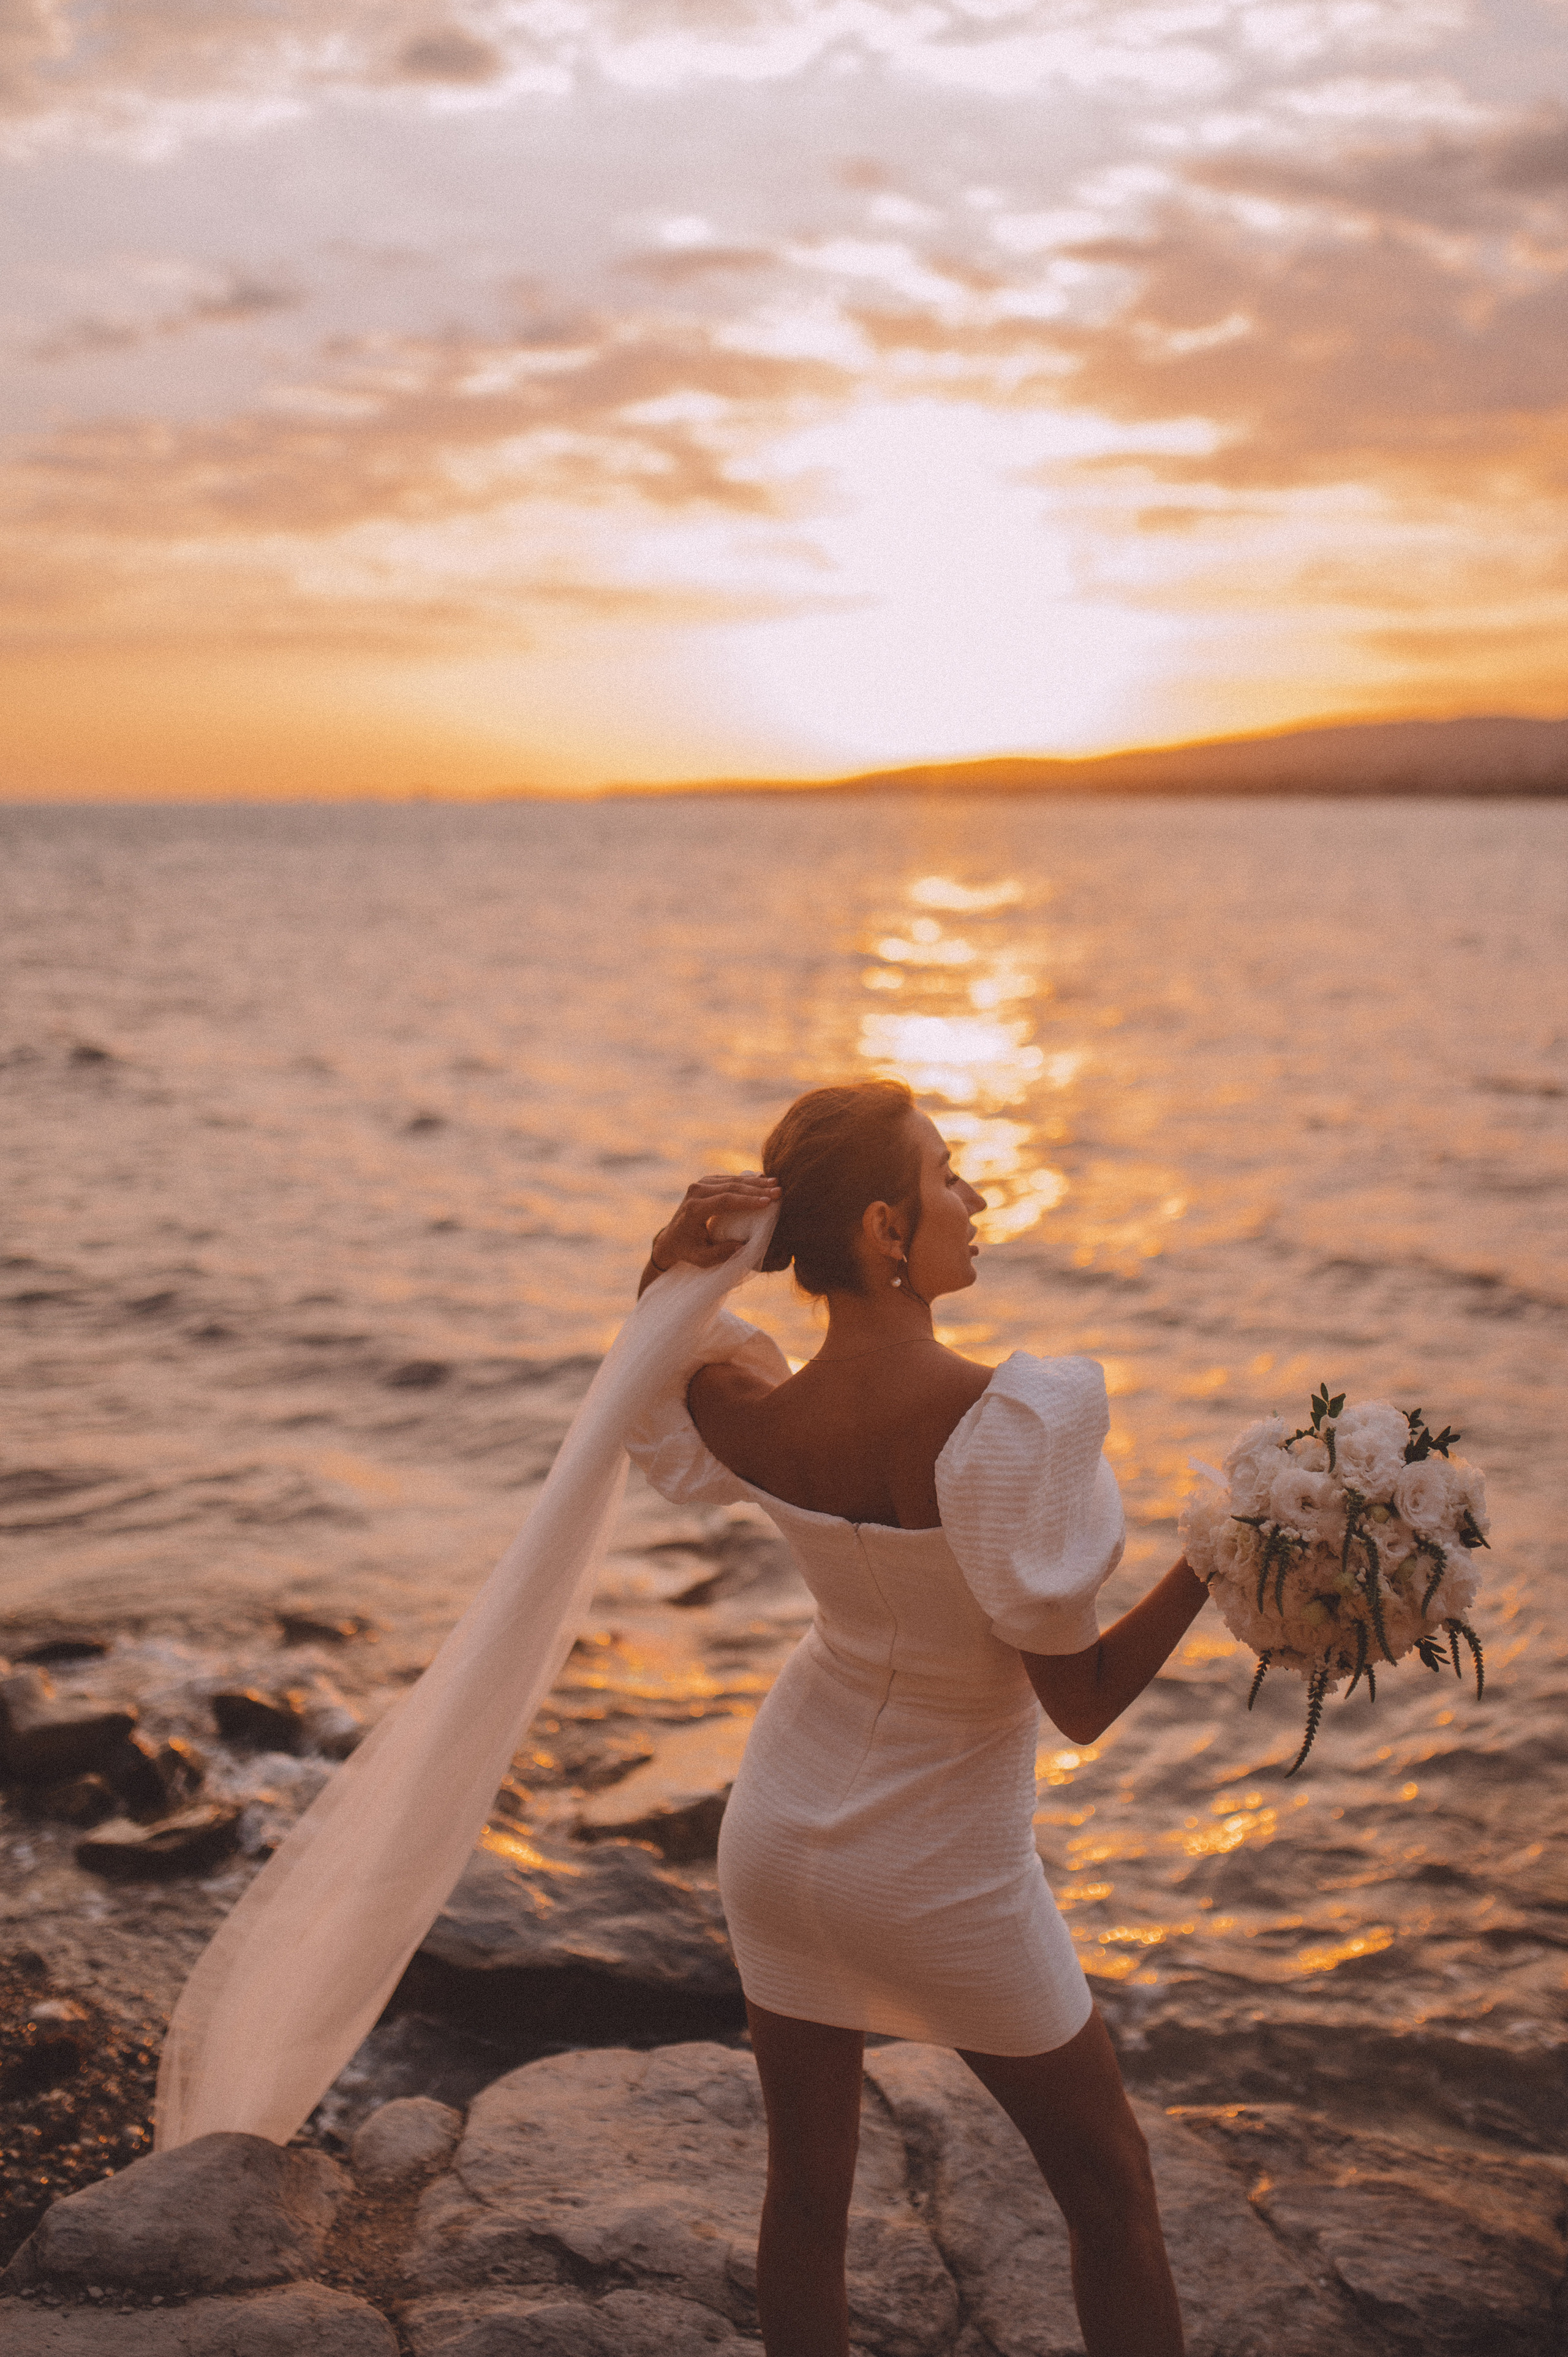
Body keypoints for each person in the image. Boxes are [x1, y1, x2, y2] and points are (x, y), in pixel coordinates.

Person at [628, 1078, 1212, 2357]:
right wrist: (1211, 1559)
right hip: (943, 1867)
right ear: (888, 1231)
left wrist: (665, 1271)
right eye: (949, 1173)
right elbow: (1082, 1703)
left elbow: (650, 1374)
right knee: (1110, 2192)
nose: (976, 1195)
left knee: (806, 2199)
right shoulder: (1001, 1423)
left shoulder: (750, 1406)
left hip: (778, 1834)